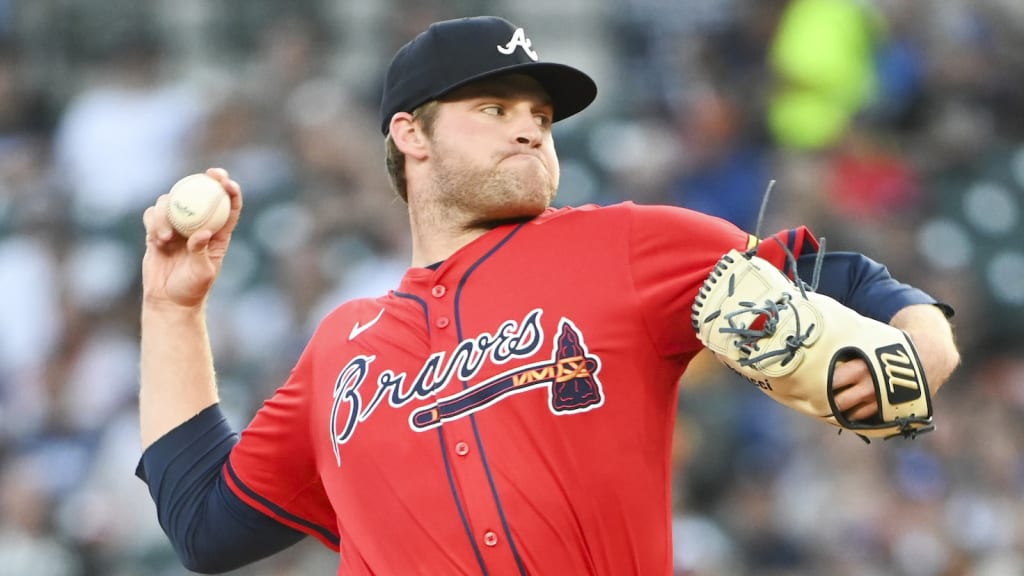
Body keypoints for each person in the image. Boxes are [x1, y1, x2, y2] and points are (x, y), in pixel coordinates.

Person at [137, 16, 960, 575]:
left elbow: (841, 278)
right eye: (493, 108)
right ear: (409, 135)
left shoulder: (626, 247)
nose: (529, 127)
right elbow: (206, 526)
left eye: (539, 113)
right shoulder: (340, 351)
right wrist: (173, 312)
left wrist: (919, 339)